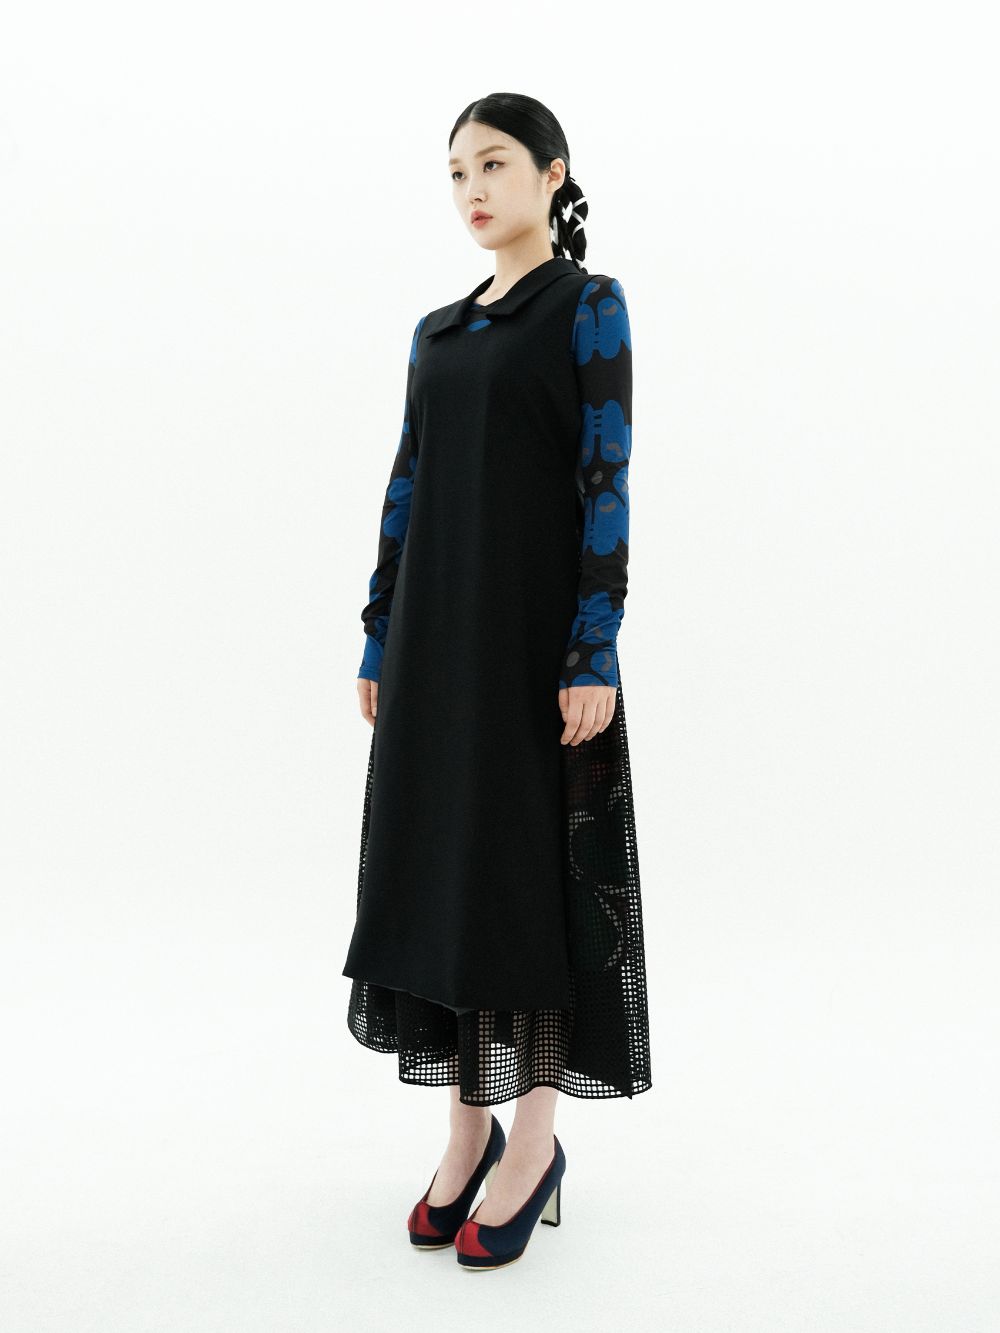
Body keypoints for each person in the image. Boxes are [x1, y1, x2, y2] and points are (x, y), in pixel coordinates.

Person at [342, 92, 652, 1269]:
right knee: (442, 874)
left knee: (523, 882)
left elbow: (605, 478)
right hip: (434, 644)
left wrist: (591, 646)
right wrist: (380, 635)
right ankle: (462, 1131)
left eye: (494, 164)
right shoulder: (437, 332)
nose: (473, 189)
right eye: (457, 172)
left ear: (551, 175)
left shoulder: (586, 305)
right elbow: (406, 486)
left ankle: (533, 1142)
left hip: (530, 647)